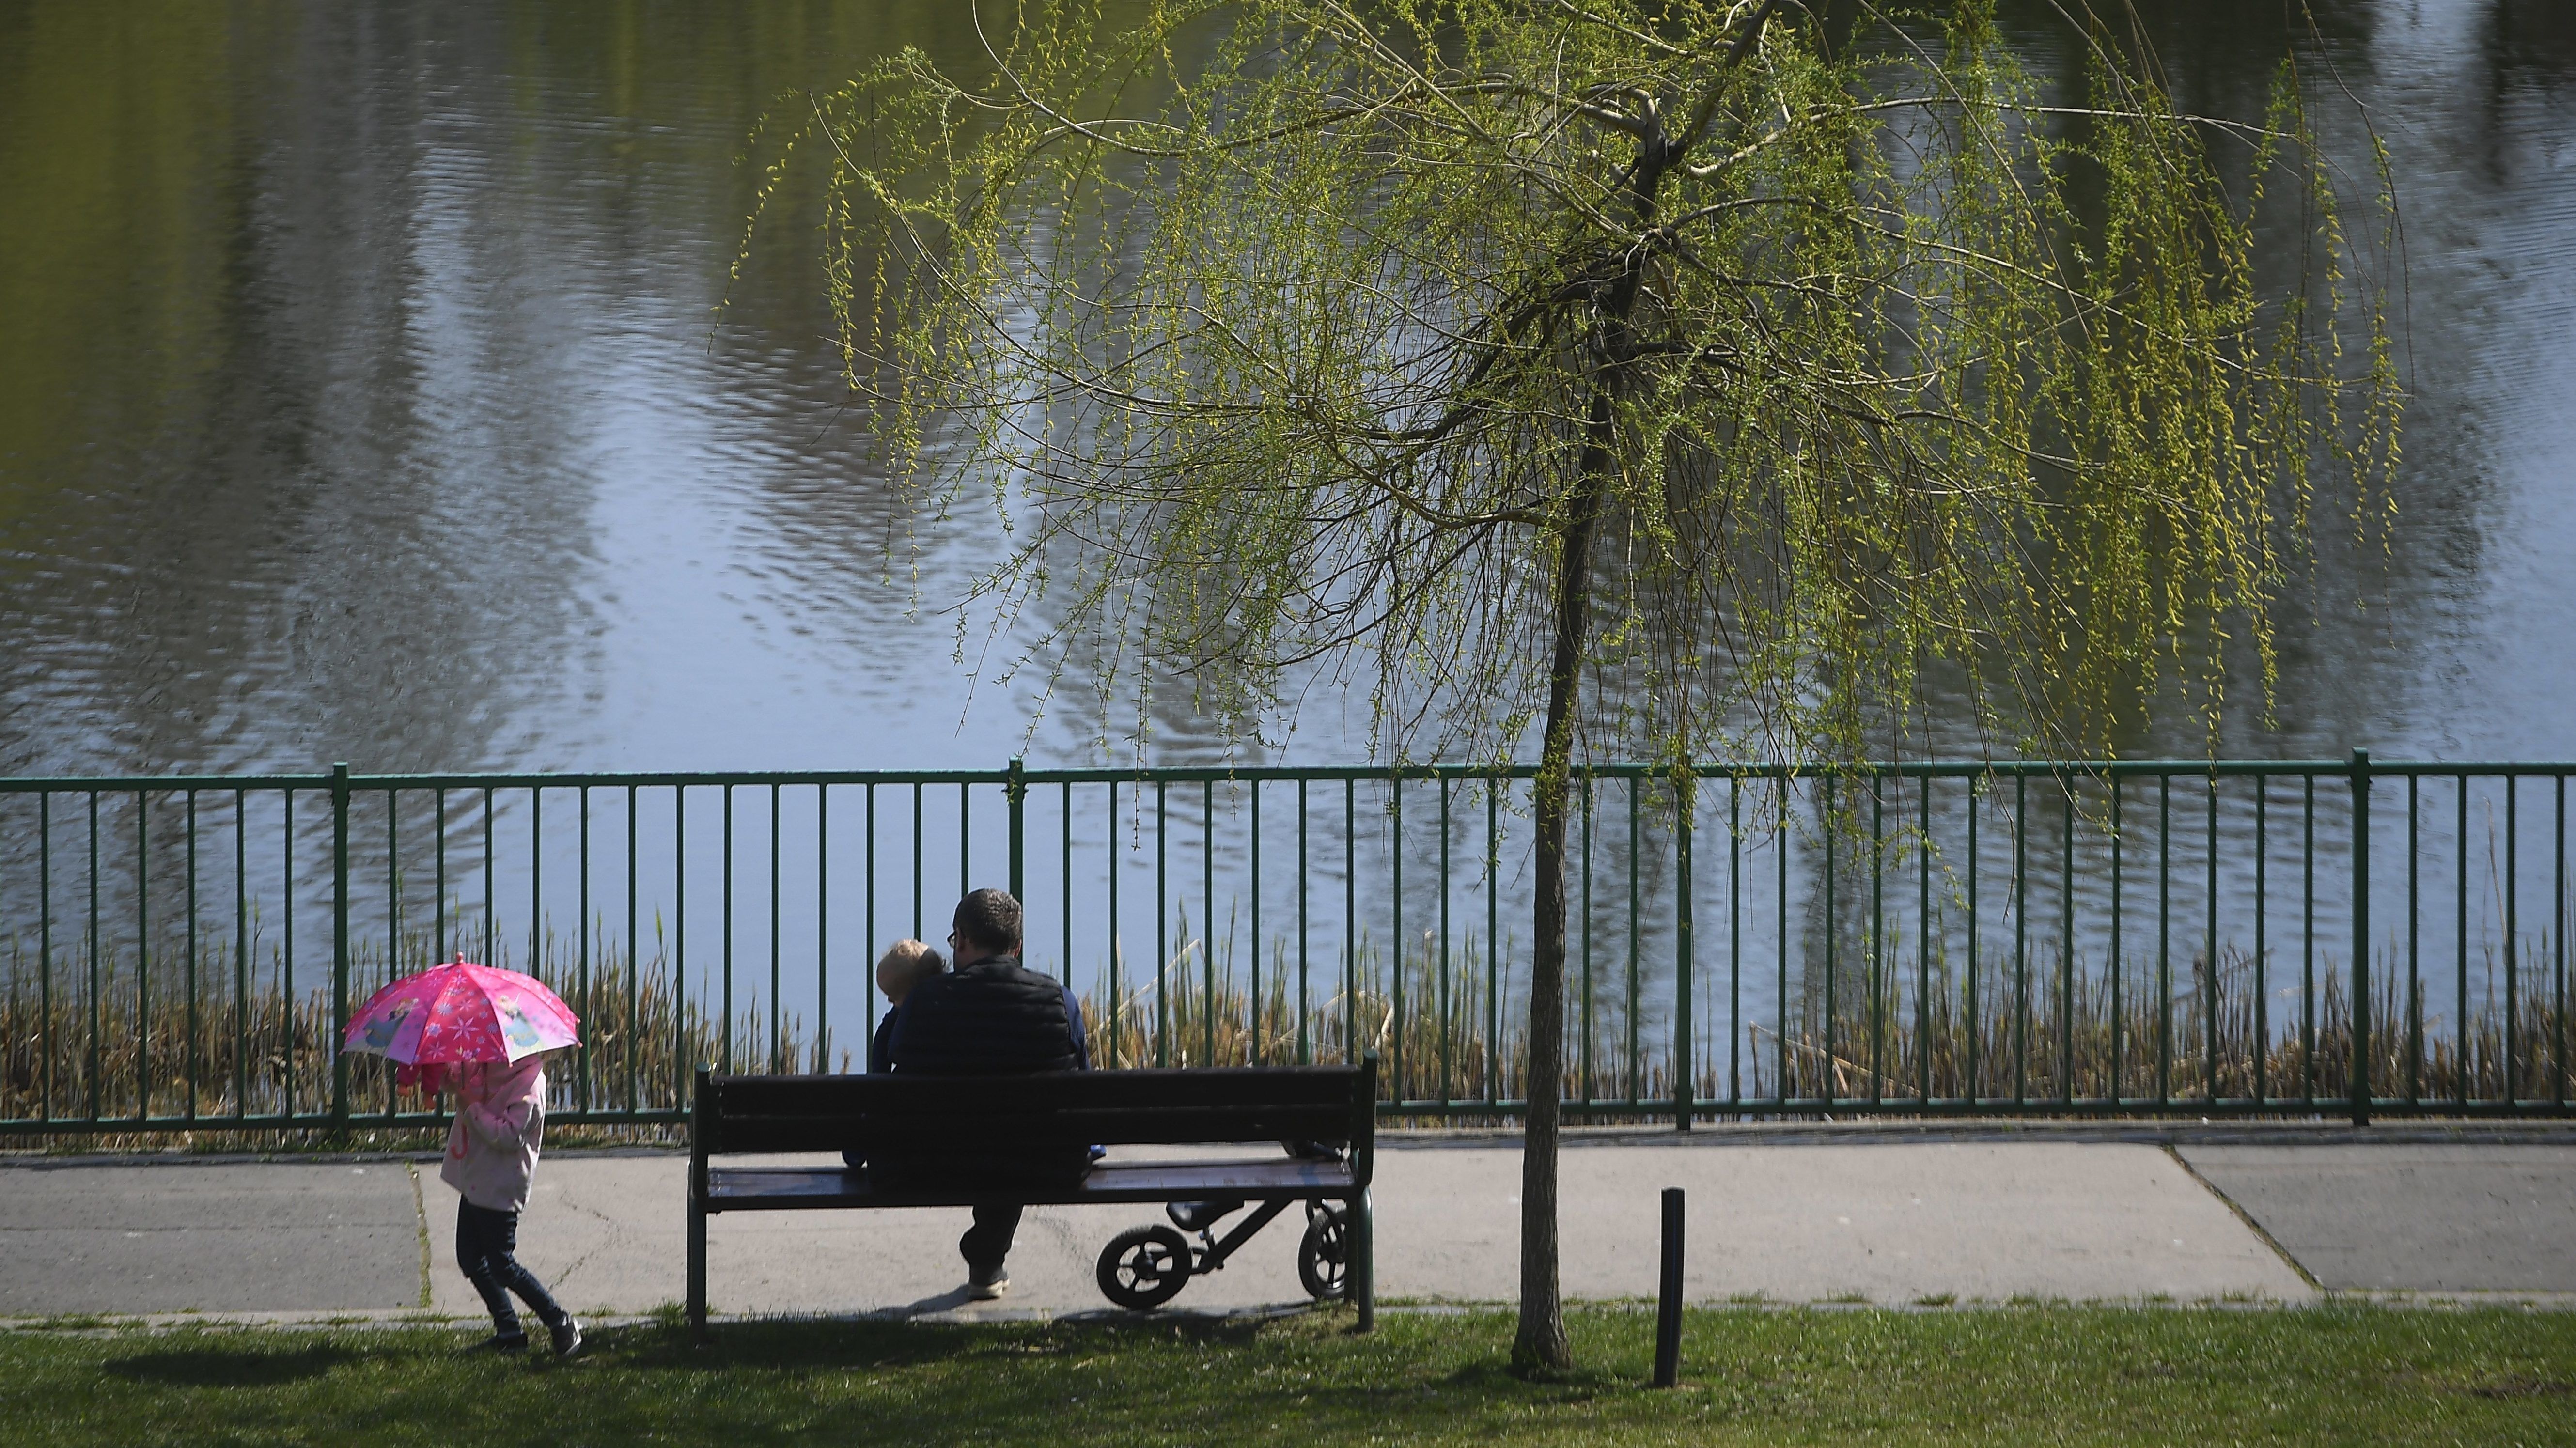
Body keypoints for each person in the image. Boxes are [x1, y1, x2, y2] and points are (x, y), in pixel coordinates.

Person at [885, 887, 1091, 1300]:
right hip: (1046, 1164)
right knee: (1012, 1138)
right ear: (1017, 946)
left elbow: (894, 1068)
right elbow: (1082, 1084)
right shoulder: (1058, 998)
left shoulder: (925, 1000)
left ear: (961, 939)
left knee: (988, 1137)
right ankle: (986, 1257)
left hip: (930, 1164)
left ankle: (986, 1257)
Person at [440, 1056, 583, 1357]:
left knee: (502, 1265)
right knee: (470, 1258)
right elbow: (465, 1086)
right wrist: (451, 1078)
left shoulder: (529, 1086)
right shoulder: (484, 1067)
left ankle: (560, 1321)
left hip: (502, 1186)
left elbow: (509, 1136)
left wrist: (471, 1108)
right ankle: (509, 1331)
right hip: (476, 1179)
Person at [841, 940, 946, 1172]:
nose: (890, 1002)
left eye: (893, 997)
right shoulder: (954, 1014)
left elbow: (879, 1078)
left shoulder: (893, 1025)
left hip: (903, 1155)